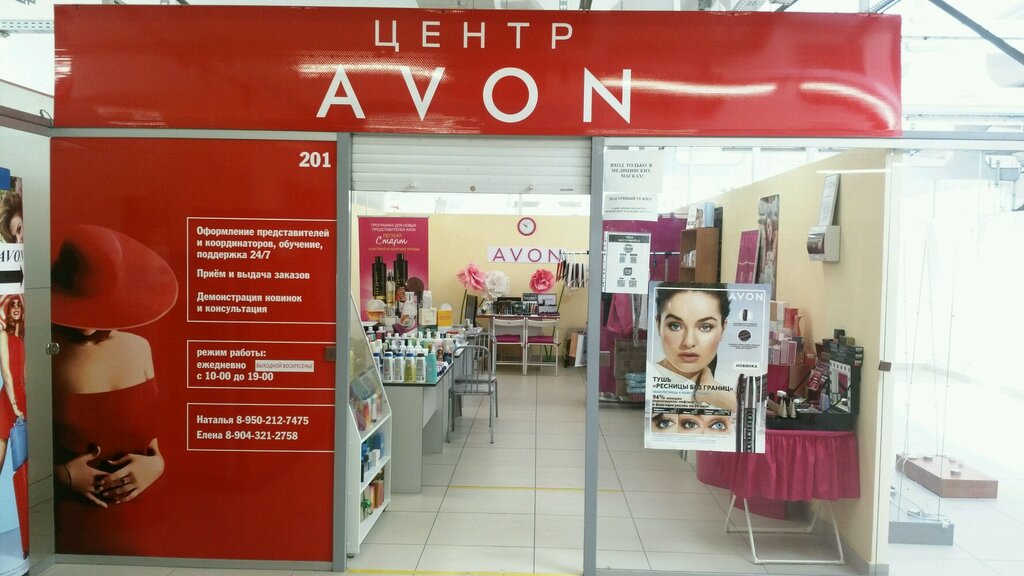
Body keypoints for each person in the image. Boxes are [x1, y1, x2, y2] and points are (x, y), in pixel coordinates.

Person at [50, 224, 178, 555]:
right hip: (69, 520)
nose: (86, 320)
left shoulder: (138, 347)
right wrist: (60, 476)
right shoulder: (42, 351)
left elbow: (149, 438)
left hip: (145, 515)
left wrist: (157, 465)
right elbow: (12, 440)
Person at [650, 283, 736, 412]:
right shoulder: (648, 381)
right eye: (675, 326)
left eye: (705, 327)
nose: (689, 342)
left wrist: (709, 388)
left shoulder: (726, 385)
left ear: (723, 329)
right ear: (658, 325)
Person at [0, 295, 28, 557]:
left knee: (23, 466)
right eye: (12, 306)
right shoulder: (2, 336)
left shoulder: (23, 339)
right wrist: (15, 405)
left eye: (19, 305)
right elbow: (6, 373)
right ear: (7, 312)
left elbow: (26, 374)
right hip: (8, 400)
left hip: (23, 397)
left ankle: (25, 539)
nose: (16, 309)